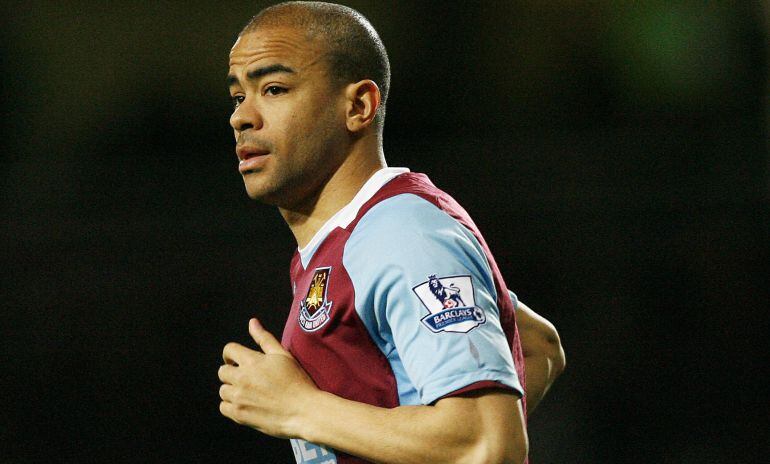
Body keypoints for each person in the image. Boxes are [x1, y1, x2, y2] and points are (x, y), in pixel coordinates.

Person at [217, 2, 565, 463]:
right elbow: (536, 346)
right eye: (239, 96)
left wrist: (298, 408)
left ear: (359, 106)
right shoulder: (352, 237)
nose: (241, 117)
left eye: (274, 89)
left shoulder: (402, 234)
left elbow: (489, 443)